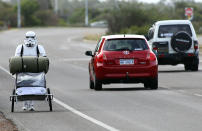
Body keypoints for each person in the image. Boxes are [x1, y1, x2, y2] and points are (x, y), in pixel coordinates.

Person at [15, 31, 46, 111]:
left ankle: (31, 105)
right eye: (28, 37)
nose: (30, 39)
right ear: (25, 37)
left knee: (33, 86)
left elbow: (44, 58)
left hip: (35, 70)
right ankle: (25, 104)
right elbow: (16, 59)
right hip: (23, 70)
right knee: (24, 86)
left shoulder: (39, 47)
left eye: (31, 37)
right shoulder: (20, 47)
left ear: (35, 38)